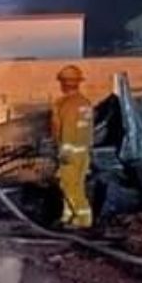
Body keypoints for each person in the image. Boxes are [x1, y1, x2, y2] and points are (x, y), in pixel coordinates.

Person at [51, 64, 94, 228]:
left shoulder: (67, 104)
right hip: (83, 152)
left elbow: (68, 128)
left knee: (69, 185)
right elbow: (88, 129)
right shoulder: (85, 102)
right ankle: (68, 216)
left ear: (64, 83)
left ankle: (83, 220)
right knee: (76, 185)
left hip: (70, 152)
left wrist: (64, 152)